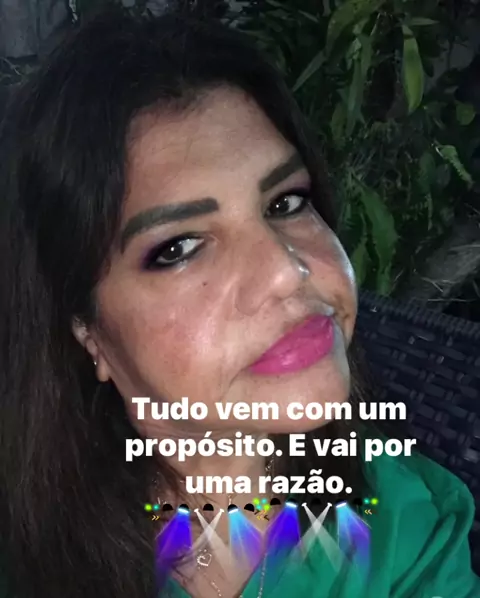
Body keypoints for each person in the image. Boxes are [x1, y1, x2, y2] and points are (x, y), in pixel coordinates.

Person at [0, 7, 478, 598]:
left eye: (286, 202)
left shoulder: (410, 527)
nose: (287, 270)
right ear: (87, 330)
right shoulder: (26, 544)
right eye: (178, 247)